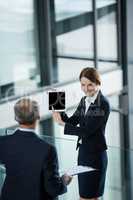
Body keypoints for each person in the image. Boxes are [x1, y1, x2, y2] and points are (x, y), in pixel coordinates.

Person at [52, 67, 110, 200]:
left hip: (95, 158)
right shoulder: (84, 100)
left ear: (98, 83)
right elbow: (73, 121)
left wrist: (62, 124)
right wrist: (57, 104)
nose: (86, 88)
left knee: (89, 197)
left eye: (90, 84)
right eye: (83, 84)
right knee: (83, 196)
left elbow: (87, 131)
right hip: (83, 154)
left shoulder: (103, 104)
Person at [0, 98, 72, 200]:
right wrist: (64, 181)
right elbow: (53, 189)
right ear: (38, 116)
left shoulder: (3, 142)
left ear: (16, 118)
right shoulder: (48, 150)